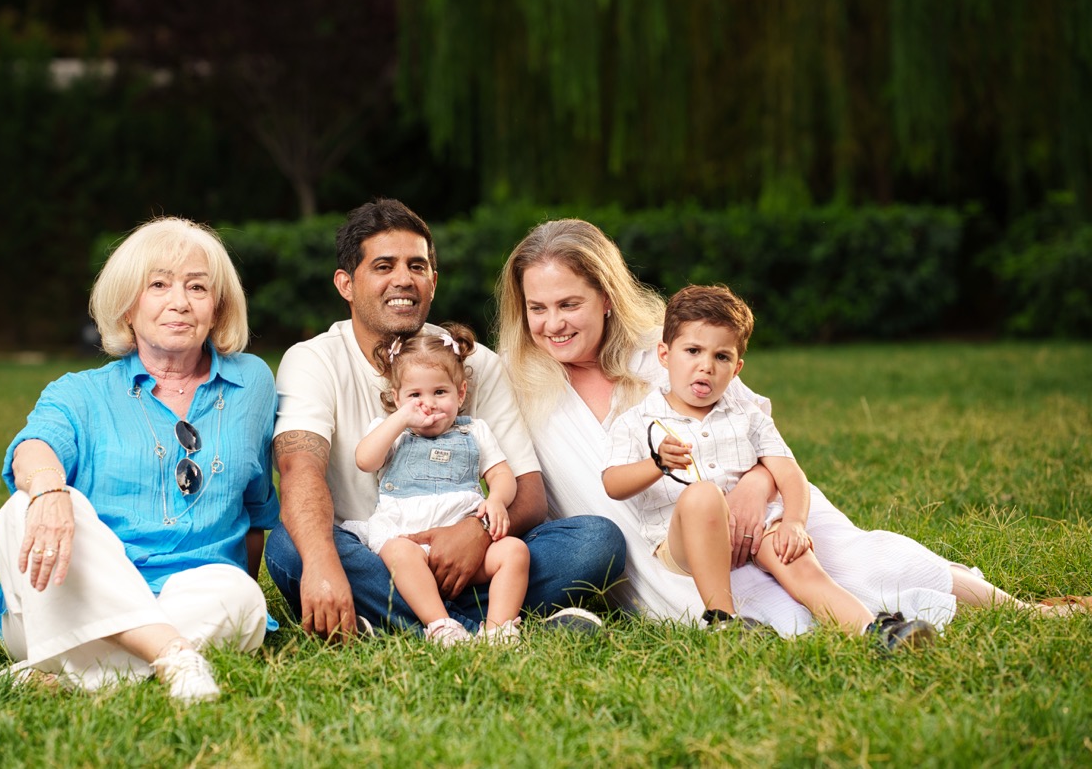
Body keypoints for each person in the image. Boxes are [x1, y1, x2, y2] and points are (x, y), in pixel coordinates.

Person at [495, 218, 1062, 635]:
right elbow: (439, 381)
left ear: (608, 299)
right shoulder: (521, 386)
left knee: (860, 560)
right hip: (670, 555)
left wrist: (751, 489)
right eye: (537, 309)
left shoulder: (668, 350)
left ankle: (1024, 611)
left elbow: (757, 434)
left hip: (757, 508)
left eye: (569, 304)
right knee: (778, 613)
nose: (552, 324)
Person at [0, 217, 278, 704]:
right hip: (69, 605)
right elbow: (34, 447)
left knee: (240, 597)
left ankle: (29, 681)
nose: (179, 301)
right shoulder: (81, 392)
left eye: (197, 287)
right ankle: (174, 655)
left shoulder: (252, 383)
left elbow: (256, 507)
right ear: (128, 306)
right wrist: (49, 492)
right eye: (158, 284)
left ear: (217, 308)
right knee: (22, 508)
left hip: (191, 599)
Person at [264, 199, 625, 641]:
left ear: (433, 282)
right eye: (383, 266)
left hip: (475, 558)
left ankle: (397, 620)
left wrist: (474, 532)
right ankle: (481, 628)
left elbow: (528, 494)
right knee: (290, 547)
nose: (403, 279)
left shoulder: (472, 363)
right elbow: (300, 469)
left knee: (596, 541)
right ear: (346, 284)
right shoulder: (312, 360)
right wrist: (321, 565)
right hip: (376, 554)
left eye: (417, 266)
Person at [603, 284, 937, 647]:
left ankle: (874, 630)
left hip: (754, 530)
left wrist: (793, 522)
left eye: (722, 357)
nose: (706, 366)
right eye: (693, 351)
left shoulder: (748, 415)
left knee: (798, 561)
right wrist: (656, 464)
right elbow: (613, 484)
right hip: (684, 540)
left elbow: (790, 474)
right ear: (665, 355)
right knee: (702, 495)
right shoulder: (638, 422)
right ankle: (723, 619)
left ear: (737, 367)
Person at [349, 323, 530, 646]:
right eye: (414, 396)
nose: (428, 404)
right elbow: (365, 459)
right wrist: (400, 419)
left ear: (460, 393)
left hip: (466, 550)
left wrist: (498, 500)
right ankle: (441, 624)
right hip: (408, 541)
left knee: (515, 551)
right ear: (397, 398)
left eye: (440, 392)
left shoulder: (474, 432)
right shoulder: (392, 431)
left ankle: (498, 630)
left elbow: (501, 475)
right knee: (399, 552)